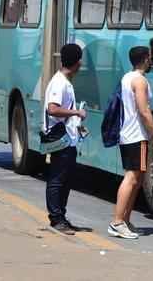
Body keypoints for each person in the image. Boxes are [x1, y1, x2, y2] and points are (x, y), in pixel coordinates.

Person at [108, 46, 153, 240]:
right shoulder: (140, 81)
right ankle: (116, 222)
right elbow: (144, 110)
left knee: (137, 179)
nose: (151, 61)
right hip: (136, 136)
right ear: (146, 59)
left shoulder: (127, 77)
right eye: (150, 57)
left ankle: (125, 220)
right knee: (132, 178)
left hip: (128, 135)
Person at [43, 43, 87, 235]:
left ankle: (61, 216)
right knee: (57, 179)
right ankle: (56, 218)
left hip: (68, 138)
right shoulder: (59, 83)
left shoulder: (65, 81)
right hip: (60, 139)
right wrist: (76, 111)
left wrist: (76, 123)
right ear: (77, 63)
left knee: (66, 179)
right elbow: (52, 109)